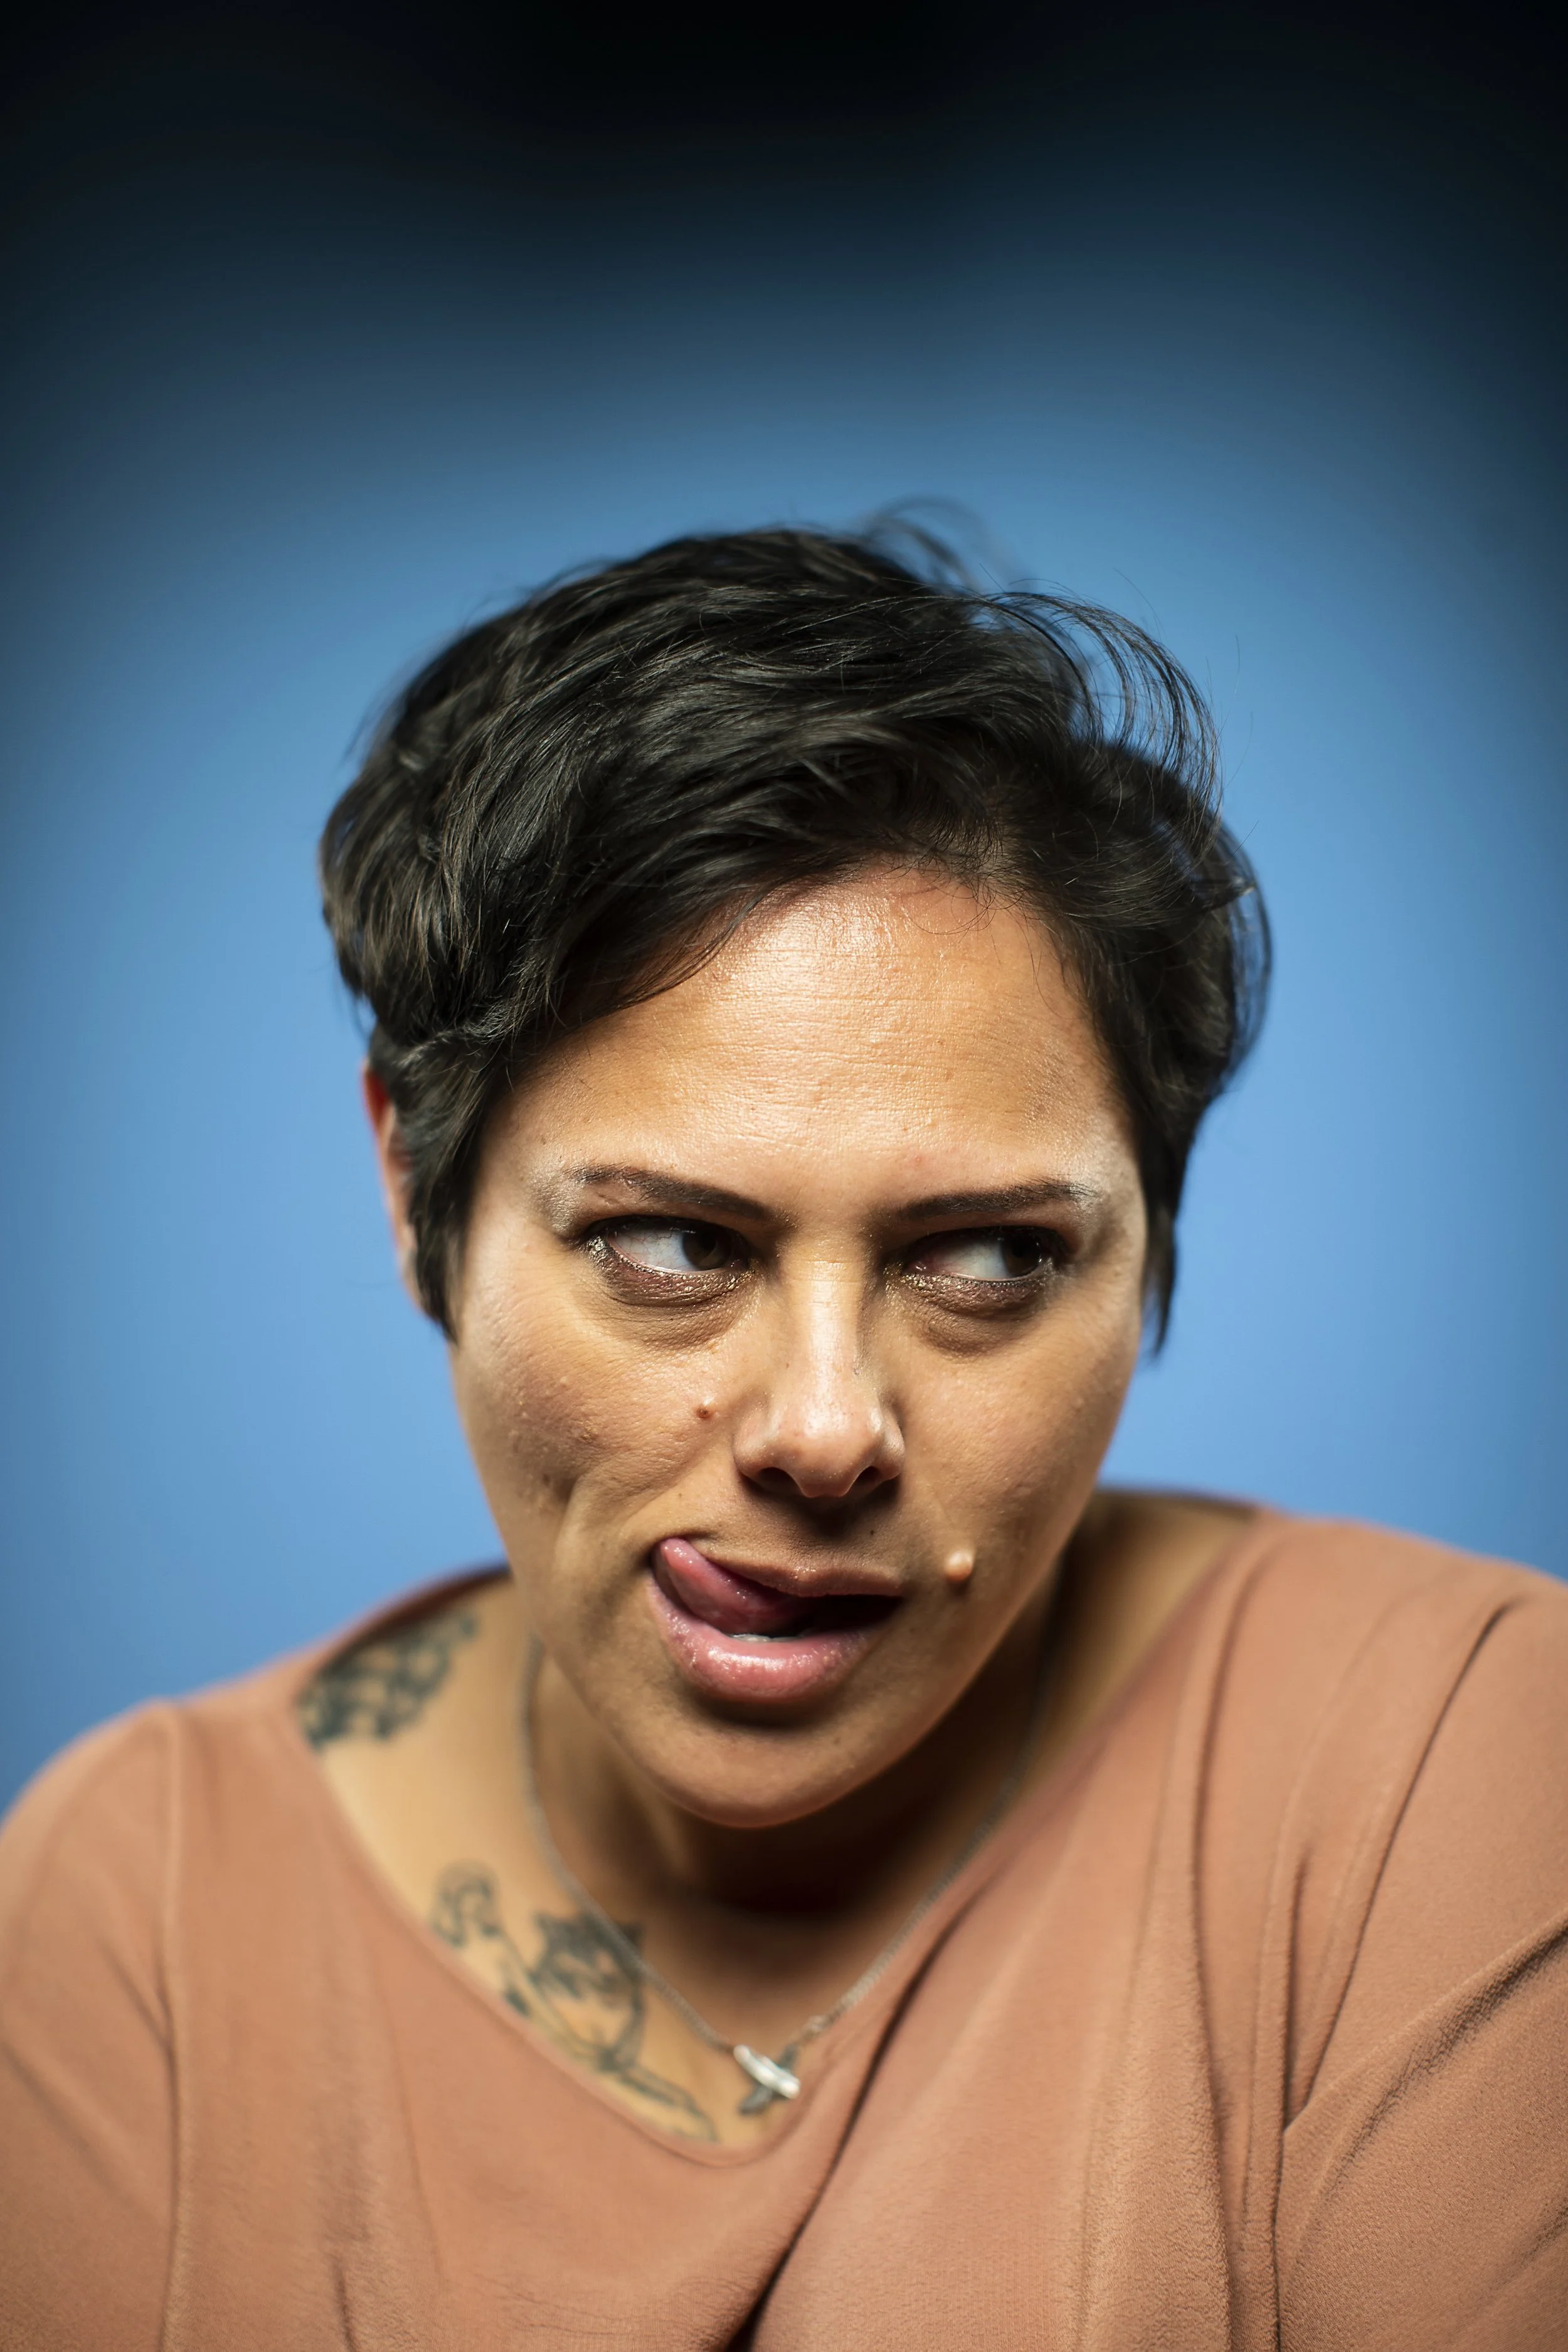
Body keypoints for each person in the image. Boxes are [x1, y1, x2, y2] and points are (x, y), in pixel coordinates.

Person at [1, 524, 1564, 2351]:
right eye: (670, 1246)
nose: (825, 1429)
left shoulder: (1453, 1761)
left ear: (1146, 1238)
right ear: (413, 1180)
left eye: (986, 1257)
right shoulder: (139, 1897)